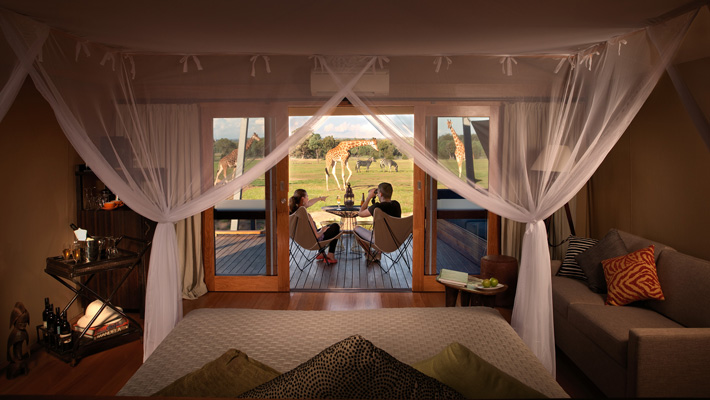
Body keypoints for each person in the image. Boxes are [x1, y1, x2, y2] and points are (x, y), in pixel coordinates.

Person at [288, 189, 340, 264]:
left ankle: (321, 253)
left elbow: (308, 203)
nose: (308, 199)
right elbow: (317, 236)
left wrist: (320, 198)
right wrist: (322, 230)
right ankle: (330, 255)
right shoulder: (307, 216)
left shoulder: (292, 213)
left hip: (302, 240)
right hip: (313, 241)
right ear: (303, 199)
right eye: (307, 197)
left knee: (329, 226)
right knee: (335, 227)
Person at [354, 182, 401, 260]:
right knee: (380, 230)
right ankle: (378, 253)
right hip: (395, 241)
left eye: (378, 193)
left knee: (355, 229)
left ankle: (370, 255)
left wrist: (369, 197)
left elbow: (360, 213)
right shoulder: (396, 205)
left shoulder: (376, 208)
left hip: (380, 242)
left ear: (381, 194)